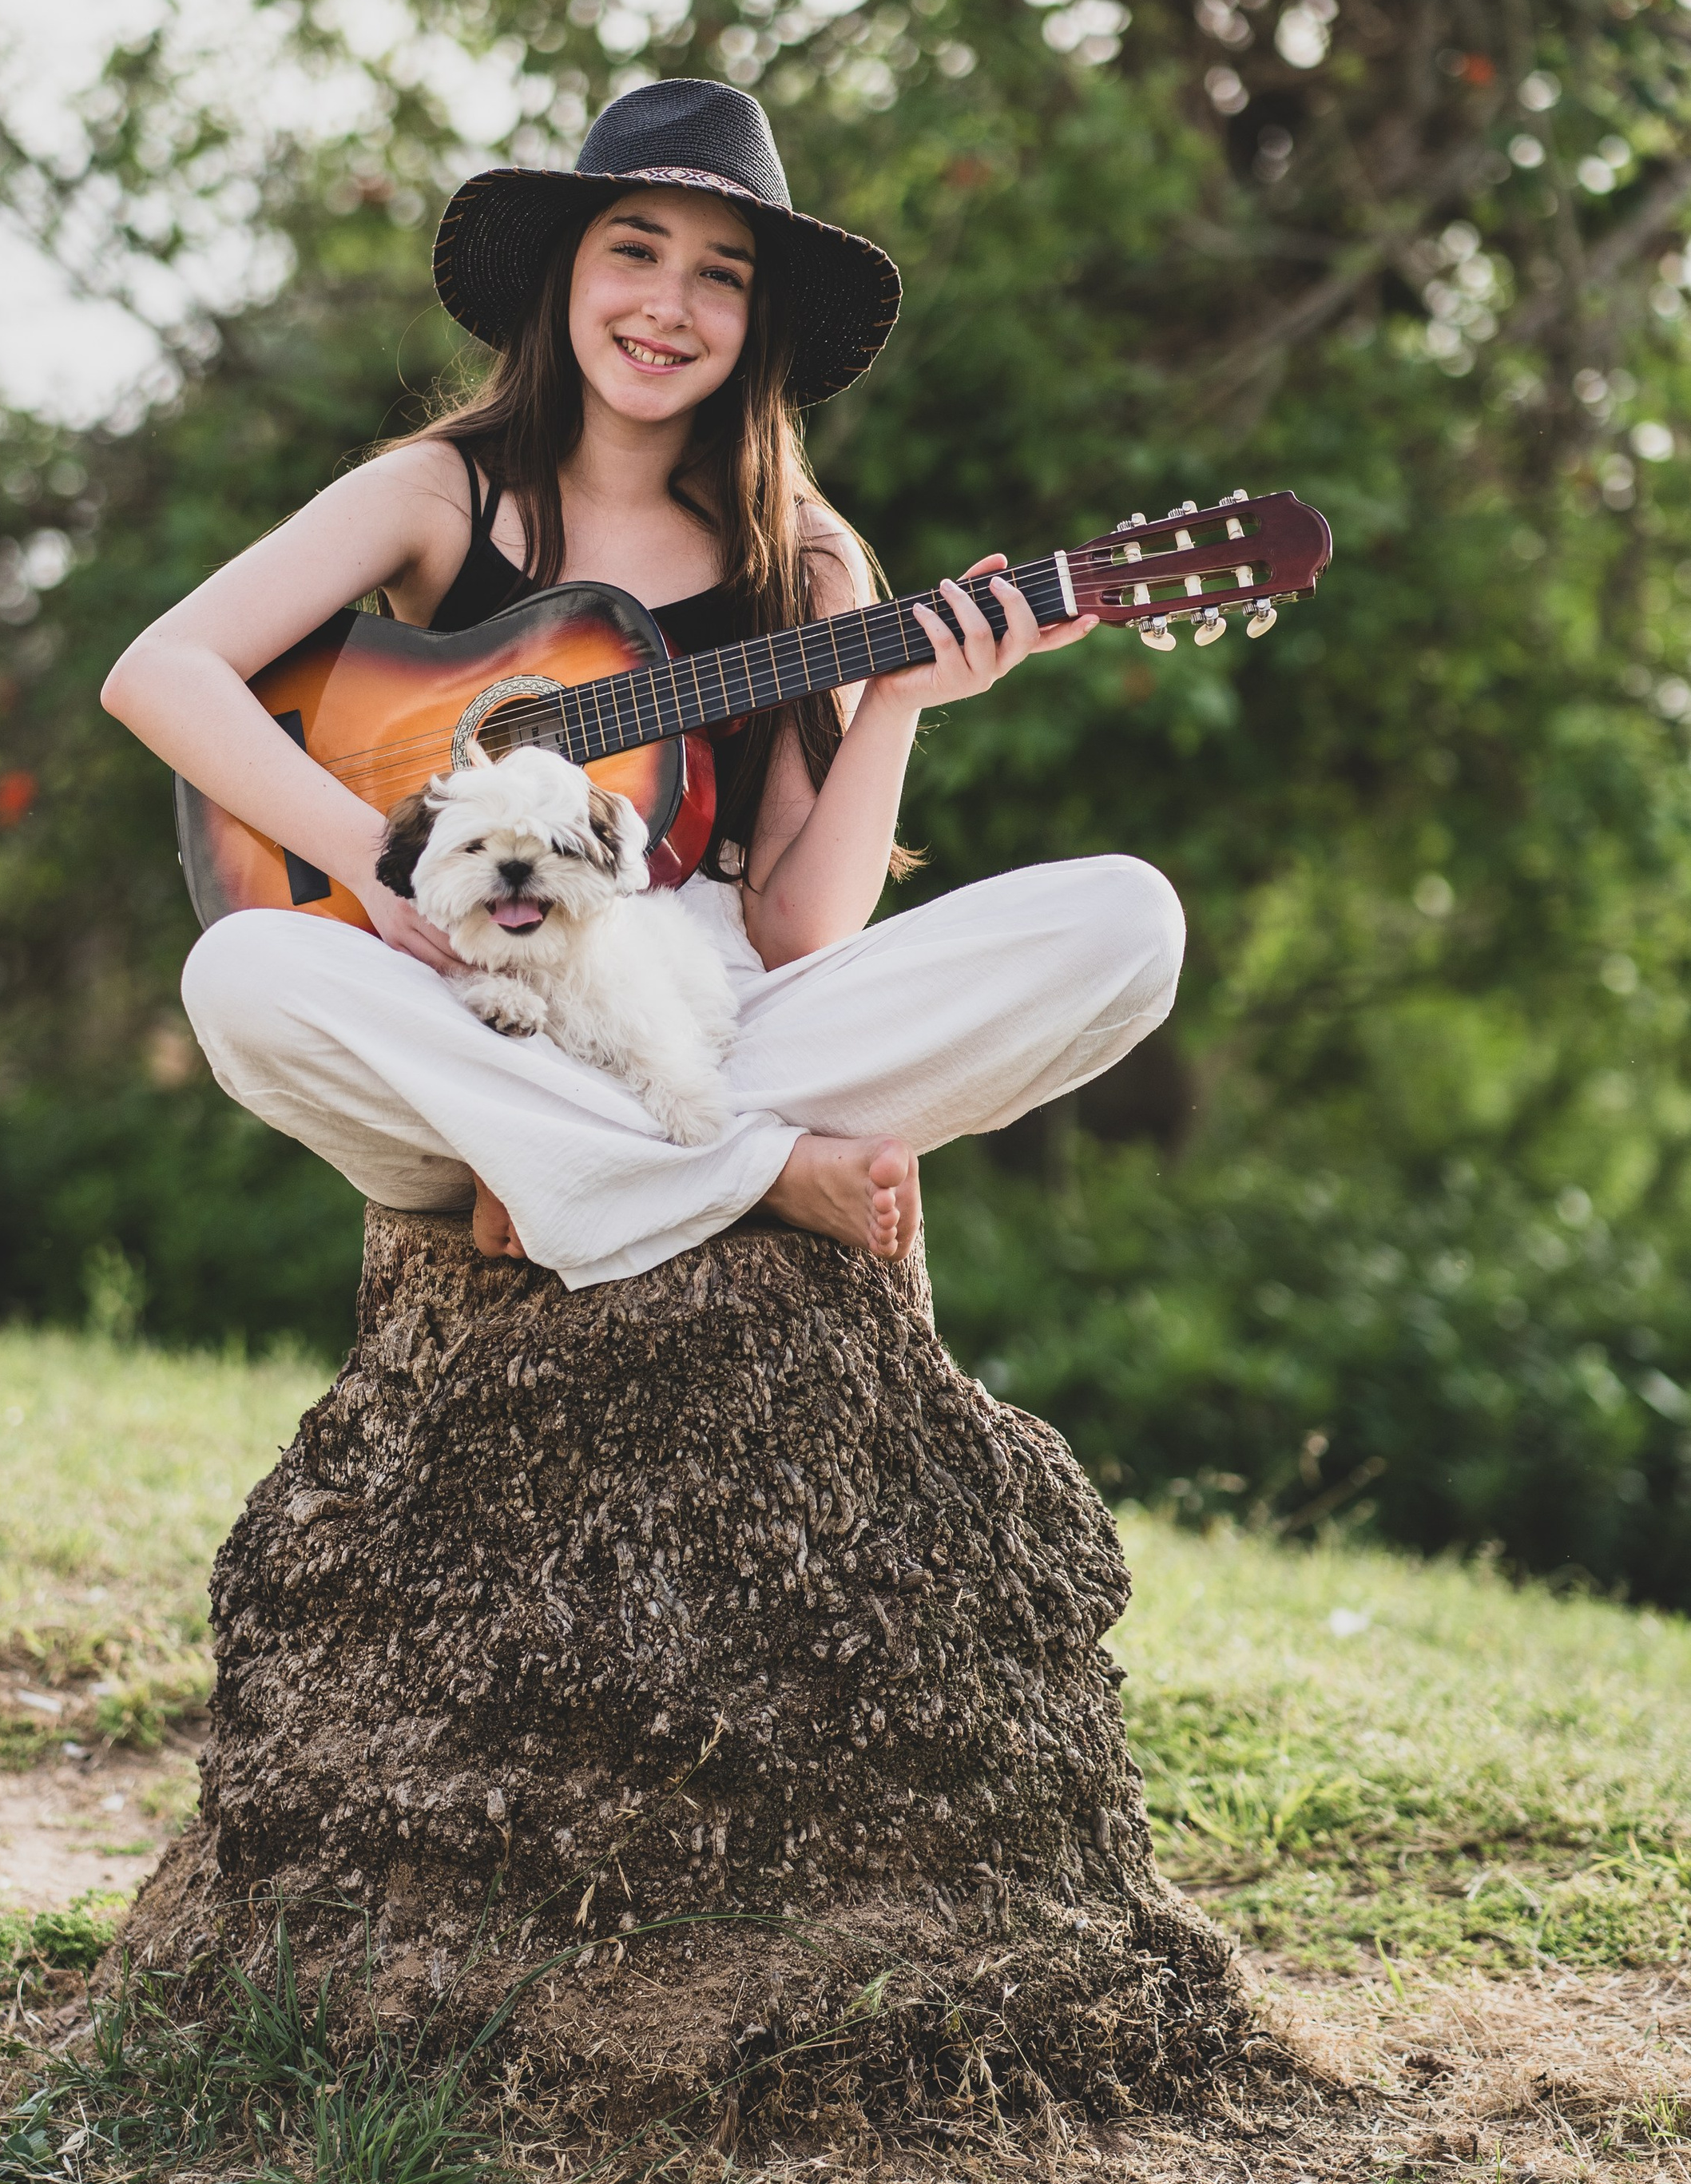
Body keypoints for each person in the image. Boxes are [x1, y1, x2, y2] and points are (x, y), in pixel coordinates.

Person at [100, 78, 1183, 1289]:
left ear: (758, 317)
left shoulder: (805, 557)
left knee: (1129, 924)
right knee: (242, 975)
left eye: (722, 274)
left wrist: (897, 700)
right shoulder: (438, 493)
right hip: (458, 1001)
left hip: (691, 1009)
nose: (669, 306)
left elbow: (795, 934)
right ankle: (757, 1172)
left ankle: (574, 1164)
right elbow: (161, 674)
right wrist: (376, 859)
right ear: (567, 271)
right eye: (635, 250)